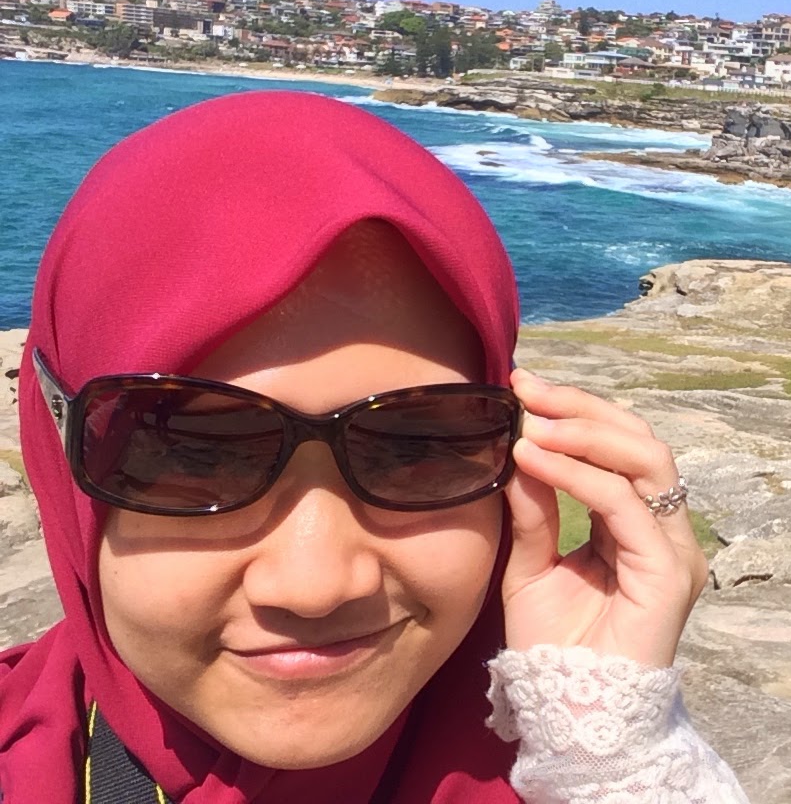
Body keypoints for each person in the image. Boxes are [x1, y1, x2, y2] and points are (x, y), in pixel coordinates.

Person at [0, 91, 749, 803]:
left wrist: (604, 742)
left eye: (416, 448)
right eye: (194, 457)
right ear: (60, 454)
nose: (317, 586)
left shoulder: (580, 760)